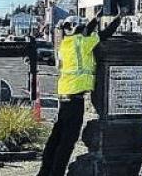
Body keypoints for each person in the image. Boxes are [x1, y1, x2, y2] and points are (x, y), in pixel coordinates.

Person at [37, 9, 121, 176]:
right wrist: (119, 18)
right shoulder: (83, 43)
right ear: (80, 29)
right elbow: (105, 34)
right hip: (75, 100)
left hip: (63, 97)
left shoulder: (65, 45)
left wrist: (96, 18)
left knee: (56, 138)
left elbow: (85, 31)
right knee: (67, 142)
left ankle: (44, 172)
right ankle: (56, 173)